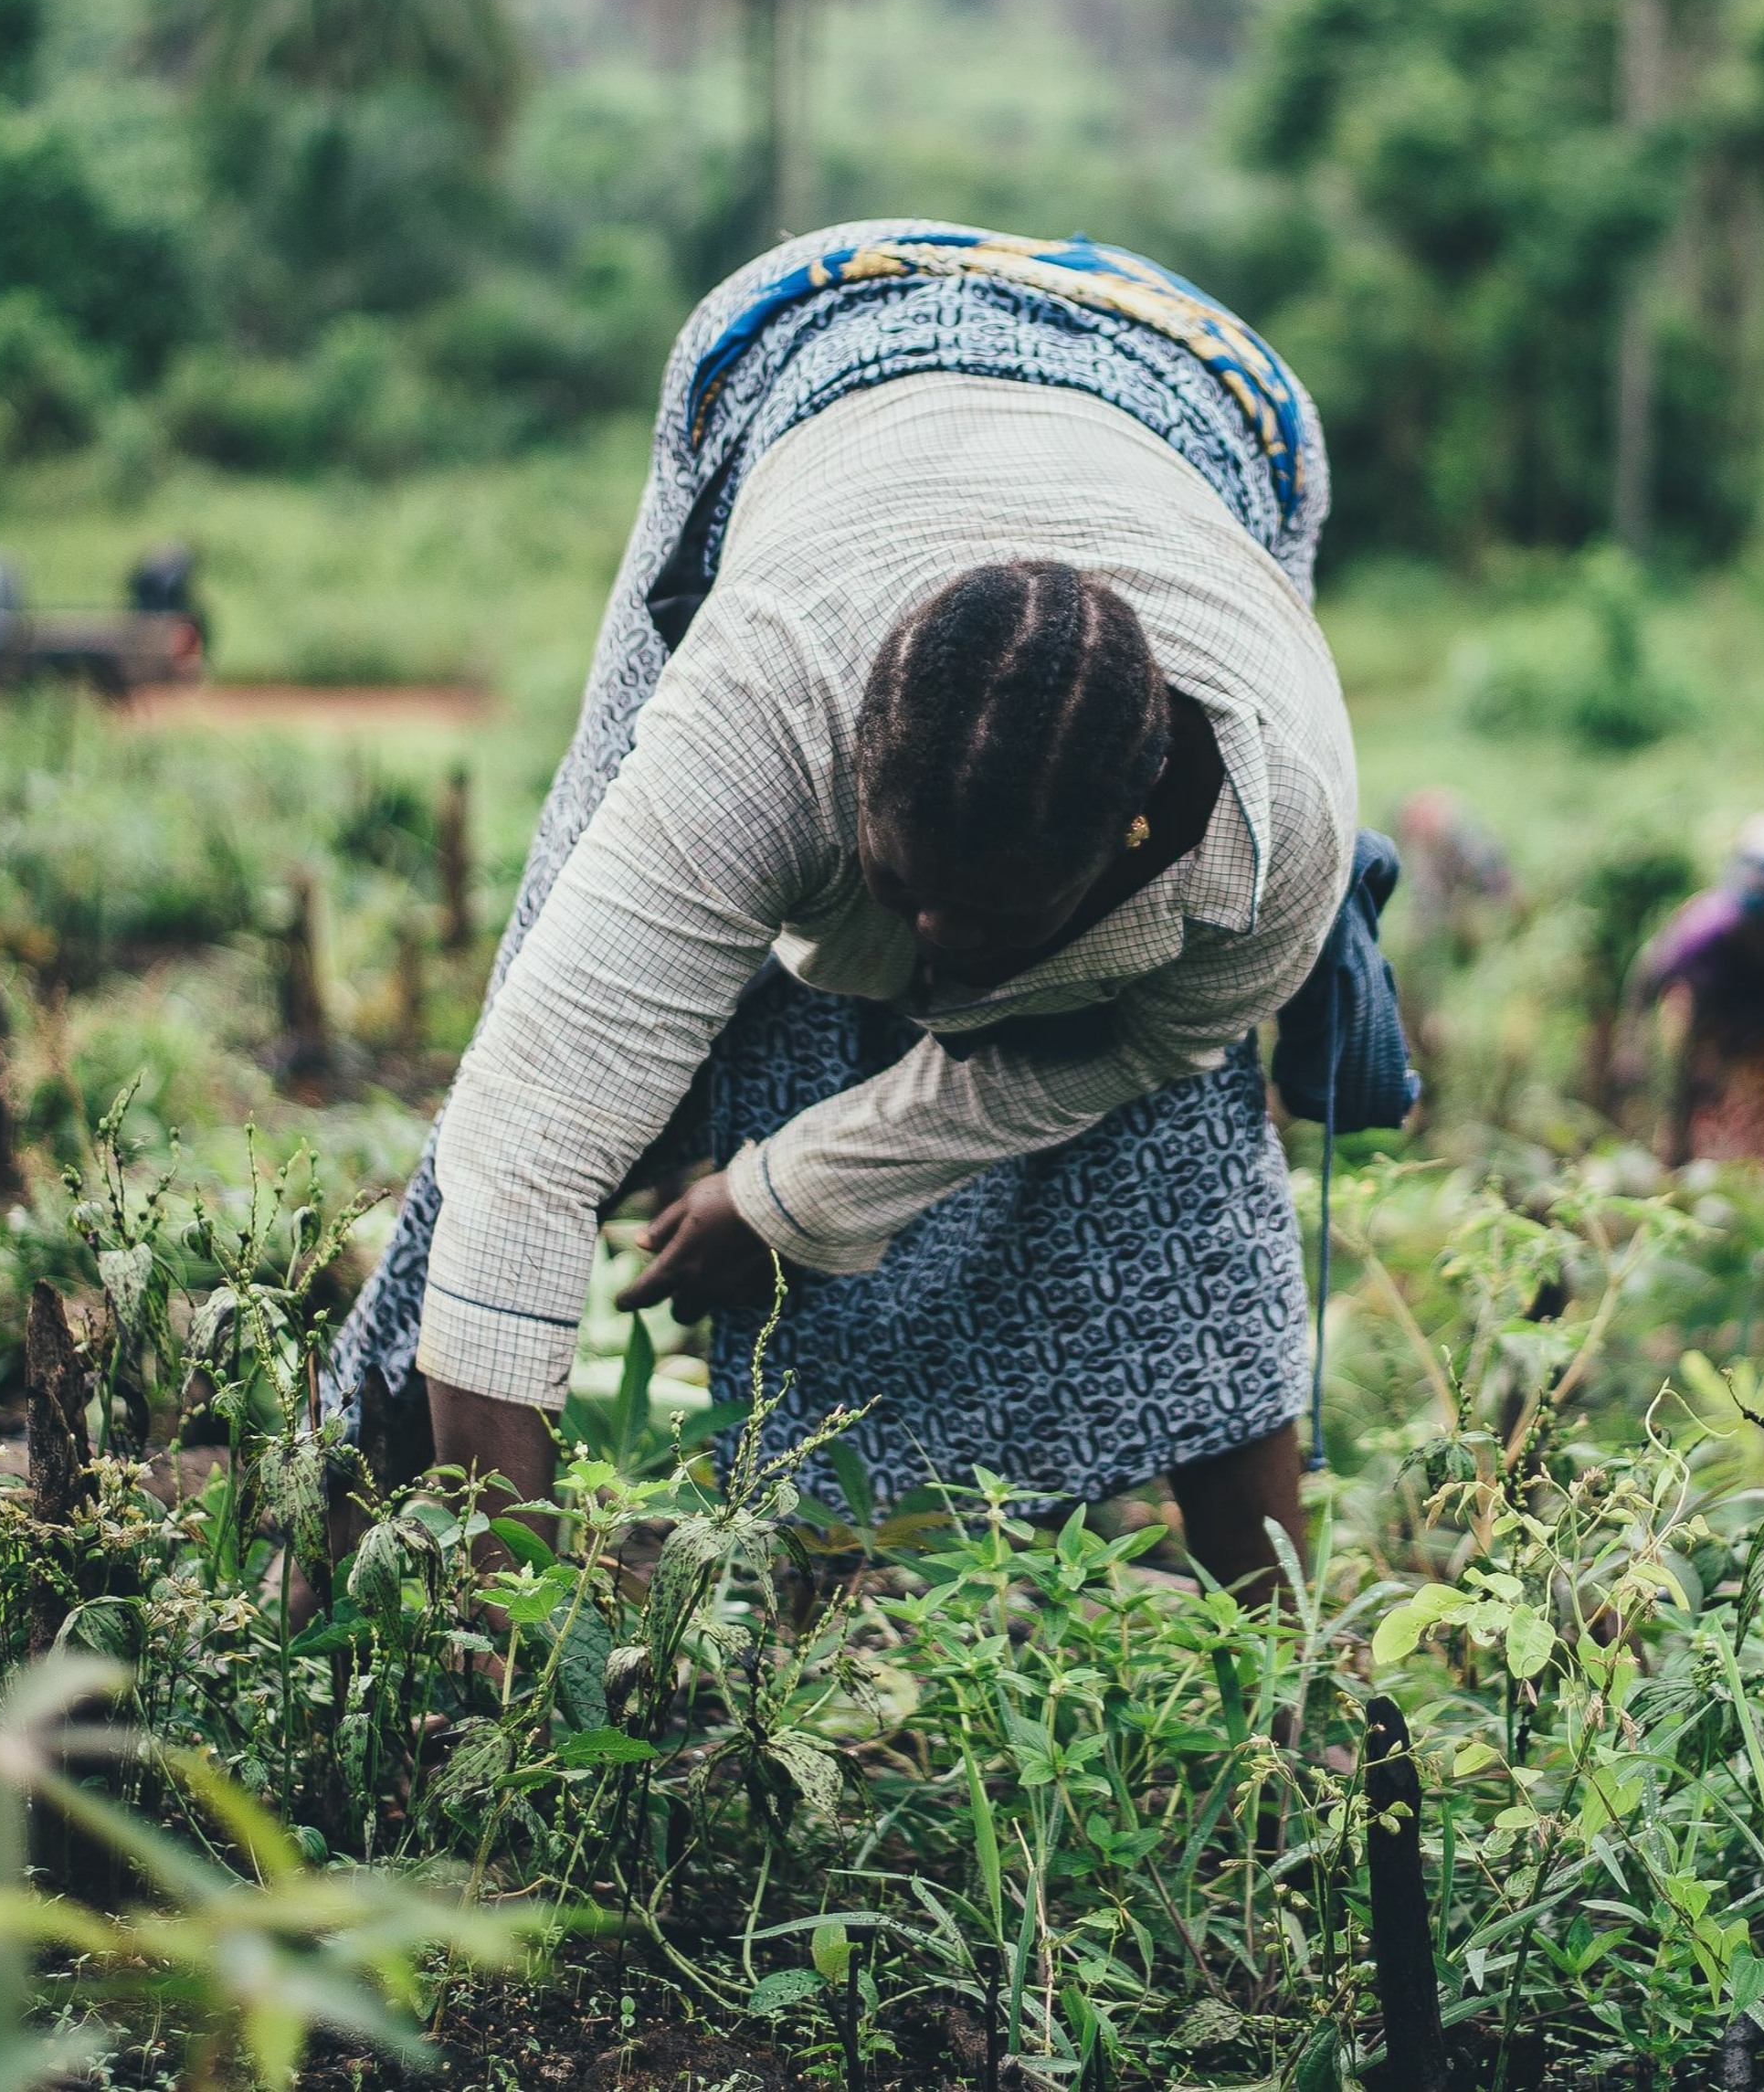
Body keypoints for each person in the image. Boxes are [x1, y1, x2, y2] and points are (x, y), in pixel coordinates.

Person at [327, 219, 1376, 1593]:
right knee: (551, 1005)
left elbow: (1119, 1055)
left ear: (1130, 843)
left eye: (988, 930)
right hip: (816, 339)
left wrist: (790, 1195)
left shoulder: (1267, 833)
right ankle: (355, 1507)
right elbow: (532, 1143)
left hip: (1215, 398)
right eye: (902, 898)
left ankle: (1275, 1671)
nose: (934, 960)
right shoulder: (766, 703)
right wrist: (516, 1629)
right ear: (845, 773)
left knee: (1179, 1144)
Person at [1634, 849, 1764, 1163]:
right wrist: (1633, 1046)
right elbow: (1649, 977)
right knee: (1695, 1083)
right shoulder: (1704, 930)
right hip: (1706, 1010)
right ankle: (1680, 1155)